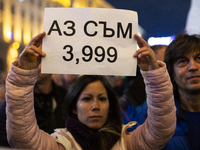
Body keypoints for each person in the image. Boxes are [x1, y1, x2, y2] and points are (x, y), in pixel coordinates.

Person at [5, 32, 176, 150]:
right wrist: (23, 76)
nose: (95, 106)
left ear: (110, 105)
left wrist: (153, 74)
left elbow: (161, 129)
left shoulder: (129, 142)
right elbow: (22, 138)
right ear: (73, 107)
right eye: (86, 99)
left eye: (102, 99)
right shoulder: (60, 145)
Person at [137, 33, 200, 150]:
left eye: (199, 58)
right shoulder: (151, 118)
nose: (193, 67)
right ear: (171, 72)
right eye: (182, 61)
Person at [0, 64, 67, 147]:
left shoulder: (66, 96)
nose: (33, 65)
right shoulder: (12, 104)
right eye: (30, 62)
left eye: (39, 61)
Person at [119, 45, 167, 125]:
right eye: (163, 63)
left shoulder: (180, 92)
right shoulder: (128, 102)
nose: (168, 67)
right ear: (148, 64)